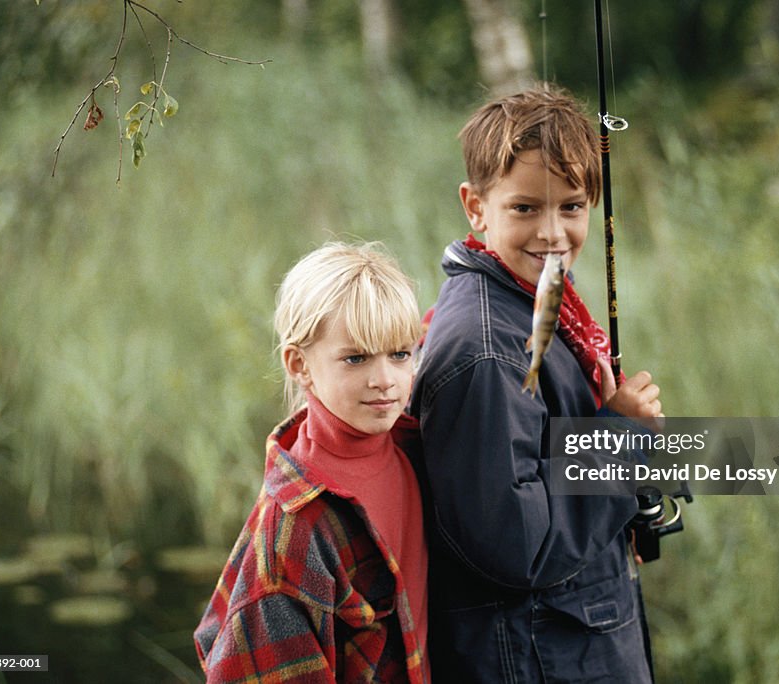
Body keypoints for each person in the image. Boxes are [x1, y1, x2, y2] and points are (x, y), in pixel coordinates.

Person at [410, 85, 664, 683]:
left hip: (571, 640)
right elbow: (521, 543)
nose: (553, 233)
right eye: (525, 208)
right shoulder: (488, 352)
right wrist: (620, 436)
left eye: (572, 207)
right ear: (475, 207)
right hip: (541, 656)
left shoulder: (539, 303)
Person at [195, 242, 430, 683]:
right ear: (299, 364)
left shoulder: (412, 444)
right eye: (356, 358)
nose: (385, 381)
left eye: (400, 354)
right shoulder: (295, 530)